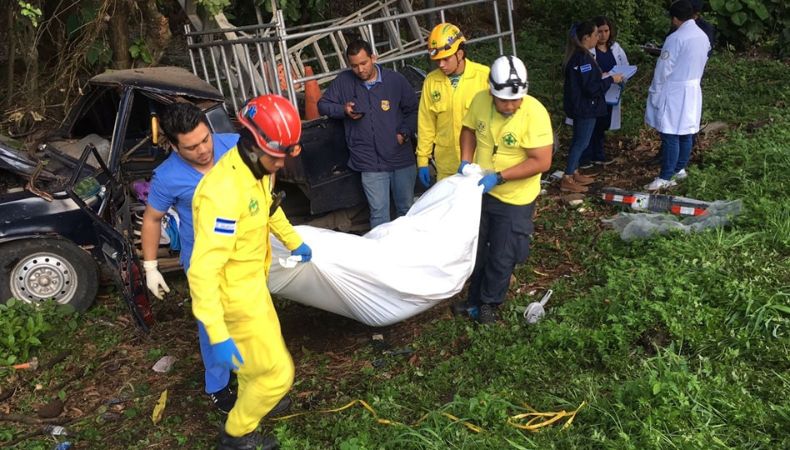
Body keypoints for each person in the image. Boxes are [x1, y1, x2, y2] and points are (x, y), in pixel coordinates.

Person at [188, 94, 312, 450]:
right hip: (234, 300)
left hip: (254, 286)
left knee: (258, 363)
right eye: (278, 156)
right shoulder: (223, 194)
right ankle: (237, 433)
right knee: (278, 373)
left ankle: (253, 400)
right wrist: (217, 332)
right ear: (255, 145)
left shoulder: (258, 170)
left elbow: (270, 210)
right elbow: (202, 271)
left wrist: (293, 241)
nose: (283, 163)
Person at [141, 103, 239, 413]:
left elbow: (263, 177)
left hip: (242, 254)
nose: (203, 150)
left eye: (205, 140)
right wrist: (150, 267)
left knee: (247, 314)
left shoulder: (233, 146)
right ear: (173, 145)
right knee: (211, 323)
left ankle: (251, 372)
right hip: (203, 262)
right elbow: (152, 219)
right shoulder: (168, 176)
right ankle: (219, 386)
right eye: (191, 147)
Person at [456, 55, 553, 324]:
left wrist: (499, 177)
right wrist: (466, 160)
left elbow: (542, 161)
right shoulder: (480, 101)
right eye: (504, 100)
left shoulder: (534, 113)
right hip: (481, 193)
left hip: (515, 199)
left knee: (503, 252)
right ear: (491, 90)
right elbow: (468, 129)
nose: (510, 105)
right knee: (477, 249)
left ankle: (490, 304)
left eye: (515, 99)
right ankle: (473, 298)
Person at [318, 39, 419, 229]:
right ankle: (382, 257)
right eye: (354, 66)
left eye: (364, 63)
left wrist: (403, 133)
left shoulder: (395, 80)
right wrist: (343, 109)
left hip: (400, 158)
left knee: (406, 210)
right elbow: (322, 105)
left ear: (373, 57)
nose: (360, 70)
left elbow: (413, 110)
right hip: (368, 161)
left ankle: (409, 254)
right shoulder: (344, 81)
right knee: (379, 214)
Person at [644, 0, 710, 191]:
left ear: (674, 18)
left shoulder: (676, 38)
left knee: (670, 132)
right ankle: (680, 168)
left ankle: (666, 175)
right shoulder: (702, 36)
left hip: (674, 89)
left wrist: (655, 90)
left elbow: (664, 68)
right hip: (693, 87)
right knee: (686, 130)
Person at [416, 23, 489, 187]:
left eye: (445, 59)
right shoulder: (431, 81)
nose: (441, 65)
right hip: (446, 166)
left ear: (460, 54)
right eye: (437, 60)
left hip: (478, 165)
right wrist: (422, 160)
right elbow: (426, 123)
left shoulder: (483, 77)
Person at [561, 20, 624, 193]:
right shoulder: (583, 58)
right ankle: (567, 177)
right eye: (596, 34)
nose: (599, 37)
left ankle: (574, 171)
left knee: (580, 140)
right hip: (585, 107)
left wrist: (600, 76)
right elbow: (591, 88)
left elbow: (586, 81)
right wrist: (611, 79)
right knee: (581, 142)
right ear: (586, 37)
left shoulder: (581, 56)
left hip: (581, 105)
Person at [579, 16, 629, 168]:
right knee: (590, 125)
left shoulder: (615, 48)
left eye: (606, 31)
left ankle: (598, 155)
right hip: (594, 92)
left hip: (610, 92)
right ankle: (585, 157)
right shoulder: (588, 51)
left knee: (602, 124)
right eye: (599, 32)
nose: (603, 35)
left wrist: (621, 76)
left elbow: (624, 65)